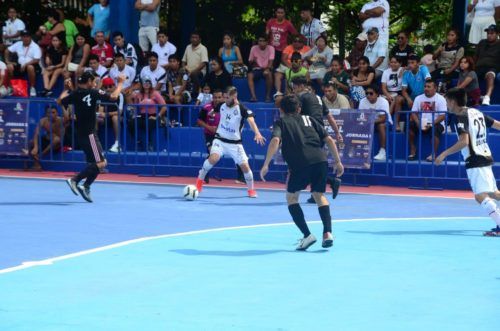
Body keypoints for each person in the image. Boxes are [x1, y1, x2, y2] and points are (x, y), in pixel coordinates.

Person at [260, 94, 344, 250]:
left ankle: (307, 235)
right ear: (299, 109)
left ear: (281, 110)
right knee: (319, 195)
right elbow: (329, 140)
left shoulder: (281, 122)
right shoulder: (310, 119)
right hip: (321, 160)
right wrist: (338, 162)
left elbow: (275, 141)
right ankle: (327, 233)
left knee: (292, 198)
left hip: (300, 164)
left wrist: (266, 164)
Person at [435, 88, 500, 236]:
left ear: (453, 101)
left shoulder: (460, 117)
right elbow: (498, 125)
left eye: (446, 102)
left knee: (480, 196)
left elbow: (464, 142)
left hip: (475, 159)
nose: (446, 105)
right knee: (493, 193)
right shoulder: (477, 112)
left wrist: (444, 154)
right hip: (485, 156)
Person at [59, 71, 125, 202]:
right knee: (102, 162)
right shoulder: (93, 92)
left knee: (94, 163)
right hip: (90, 134)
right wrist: (121, 83)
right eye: (93, 81)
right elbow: (113, 96)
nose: (95, 83)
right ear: (88, 81)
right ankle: (75, 180)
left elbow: (60, 101)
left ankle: (86, 186)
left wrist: (66, 89)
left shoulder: (75, 93)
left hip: (81, 133)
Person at [195, 86, 266, 198]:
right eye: (224, 97)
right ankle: (199, 182)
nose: (225, 99)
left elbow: (251, 121)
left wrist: (257, 133)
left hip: (235, 143)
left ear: (234, 96)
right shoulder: (221, 105)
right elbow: (215, 110)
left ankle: (251, 190)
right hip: (220, 140)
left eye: (227, 97)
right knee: (213, 158)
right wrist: (212, 113)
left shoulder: (242, 109)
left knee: (245, 167)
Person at [197, 89, 245, 184]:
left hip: (225, 136)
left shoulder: (228, 106)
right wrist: (209, 127)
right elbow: (199, 121)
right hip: (210, 135)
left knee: (238, 155)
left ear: (223, 97)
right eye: (215, 97)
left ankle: (241, 177)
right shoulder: (206, 107)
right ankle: (204, 175)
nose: (217, 99)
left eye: (219, 97)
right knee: (212, 154)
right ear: (212, 97)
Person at [408, 80, 447, 161]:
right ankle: (413, 148)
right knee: (409, 126)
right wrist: (418, 123)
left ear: (435, 88)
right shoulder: (418, 98)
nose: (426, 88)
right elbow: (413, 113)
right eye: (425, 86)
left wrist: (431, 124)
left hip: (436, 123)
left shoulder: (441, 99)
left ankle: (433, 154)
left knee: (435, 129)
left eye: (429, 87)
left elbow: (442, 116)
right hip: (421, 122)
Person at [129, 77, 167, 151]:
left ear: (151, 84)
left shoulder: (155, 93)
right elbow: (135, 107)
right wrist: (134, 114)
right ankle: (138, 141)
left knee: (148, 123)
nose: (146, 84)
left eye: (148, 83)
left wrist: (157, 116)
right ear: (142, 84)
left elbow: (164, 107)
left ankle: (150, 143)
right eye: (145, 83)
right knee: (131, 123)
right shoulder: (139, 94)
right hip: (142, 115)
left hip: (153, 115)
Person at [359, 84, 392, 161]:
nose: (368, 95)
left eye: (371, 93)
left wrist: (369, 122)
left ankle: (382, 152)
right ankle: (359, 151)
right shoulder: (362, 101)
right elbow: (361, 116)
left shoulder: (383, 101)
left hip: (386, 123)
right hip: (370, 123)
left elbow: (383, 118)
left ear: (377, 94)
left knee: (381, 126)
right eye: (366, 93)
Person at [5, 31, 42, 97]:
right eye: (24, 37)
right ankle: (11, 87)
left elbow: (36, 60)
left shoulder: (35, 46)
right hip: (20, 65)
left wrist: (26, 64)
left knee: (30, 67)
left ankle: (32, 88)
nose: (25, 38)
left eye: (27, 36)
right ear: (21, 37)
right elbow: (7, 51)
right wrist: (7, 61)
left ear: (30, 37)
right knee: (9, 66)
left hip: (32, 65)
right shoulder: (18, 44)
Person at [29, 106, 64, 170]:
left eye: (53, 112)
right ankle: (37, 165)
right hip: (47, 140)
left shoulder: (61, 120)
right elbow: (36, 133)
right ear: (46, 114)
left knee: (56, 139)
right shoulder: (43, 120)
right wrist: (35, 147)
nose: (51, 114)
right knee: (31, 142)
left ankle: (40, 156)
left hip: (58, 143)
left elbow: (68, 118)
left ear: (57, 113)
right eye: (49, 113)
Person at [474, 24, 500, 106]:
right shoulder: (482, 42)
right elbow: (475, 56)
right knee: (470, 76)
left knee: (490, 75)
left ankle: (487, 97)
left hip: (492, 67)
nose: (489, 35)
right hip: (479, 67)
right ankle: (474, 98)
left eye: (492, 33)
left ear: (497, 34)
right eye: (488, 33)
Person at [98, 77, 124, 153]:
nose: (108, 89)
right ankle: (94, 145)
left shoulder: (120, 95)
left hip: (117, 117)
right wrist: (101, 114)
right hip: (106, 117)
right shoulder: (102, 96)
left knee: (115, 118)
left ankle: (117, 144)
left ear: (114, 86)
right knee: (95, 118)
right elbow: (100, 111)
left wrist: (106, 114)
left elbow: (120, 112)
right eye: (105, 87)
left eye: (110, 86)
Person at [247, 35, 275, 102]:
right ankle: (253, 97)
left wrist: (267, 69)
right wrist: (253, 61)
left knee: (269, 74)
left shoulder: (271, 48)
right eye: (260, 41)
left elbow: (271, 61)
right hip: (257, 69)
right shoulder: (253, 48)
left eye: (263, 41)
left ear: (267, 42)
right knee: (249, 75)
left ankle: (267, 96)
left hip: (267, 68)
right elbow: (250, 61)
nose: (261, 42)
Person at [182, 31, 209, 97]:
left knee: (194, 74)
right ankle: (180, 91)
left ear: (200, 39)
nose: (194, 39)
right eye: (192, 37)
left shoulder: (203, 48)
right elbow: (183, 61)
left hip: (199, 72)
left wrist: (193, 71)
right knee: (180, 71)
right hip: (188, 70)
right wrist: (184, 67)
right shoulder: (188, 47)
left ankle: (196, 93)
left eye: (196, 37)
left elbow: (204, 63)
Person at [381, 56, 404, 126]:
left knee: (398, 100)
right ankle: (385, 121)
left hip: (399, 93)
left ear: (400, 64)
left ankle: (396, 123)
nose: (393, 64)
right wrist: (388, 95)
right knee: (386, 100)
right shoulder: (386, 72)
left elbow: (412, 67)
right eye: (391, 62)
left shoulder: (403, 70)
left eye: (395, 62)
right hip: (388, 92)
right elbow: (383, 87)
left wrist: (404, 68)